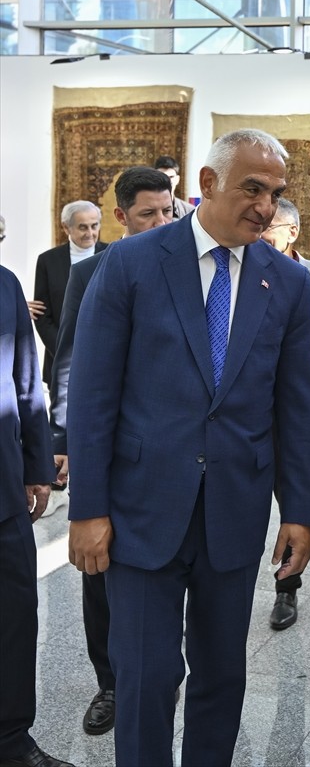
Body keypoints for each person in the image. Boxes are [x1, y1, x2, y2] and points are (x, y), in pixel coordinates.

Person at [67, 129, 310, 767]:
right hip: (141, 512)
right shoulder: (130, 263)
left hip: (233, 512)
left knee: (221, 678)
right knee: (147, 679)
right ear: (207, 185)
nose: (266, 207)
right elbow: (95, 395)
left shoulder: (285, 283)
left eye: (276, 193)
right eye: (252, 189)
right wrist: (87, 510)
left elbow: (296, 405)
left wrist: (300, 510)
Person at [47, 166, 174, 737]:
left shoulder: (187, 269)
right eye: (149, 214)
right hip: (108, 448)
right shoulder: (95, 270)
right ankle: (111, 682)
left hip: (169, 455)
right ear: (121, 217)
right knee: (99, 573)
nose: (161, 222)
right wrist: (68, 441)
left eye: (169, 212)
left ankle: (160, 675)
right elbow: (71, 360)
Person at [0, 263, 74, 767]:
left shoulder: (4, 284)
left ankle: (11, 740)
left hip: (3, 494)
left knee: (14, 618)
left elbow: (27, 380)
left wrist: (36, 467)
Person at [259, 197, 310, 630]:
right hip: (250, 414)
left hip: (300, 416)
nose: (260, 231)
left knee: (297, 505)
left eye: (270, 226)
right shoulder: (243, 268)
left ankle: (286, 590)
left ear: (292, 231)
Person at [32, 200, 106, 388]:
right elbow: (42, 315)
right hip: (61, 360)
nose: (90, 233)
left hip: (104, 357)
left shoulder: (111, 254)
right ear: (66, 227)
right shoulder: (48, 261)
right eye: (82, 227)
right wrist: (65, 352)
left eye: (94, 226)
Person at [154, 155, 192, 220]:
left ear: (177, 179)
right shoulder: (145, 209)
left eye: (171, 177)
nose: (167, 181)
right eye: (163, 177)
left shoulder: (189, 212)